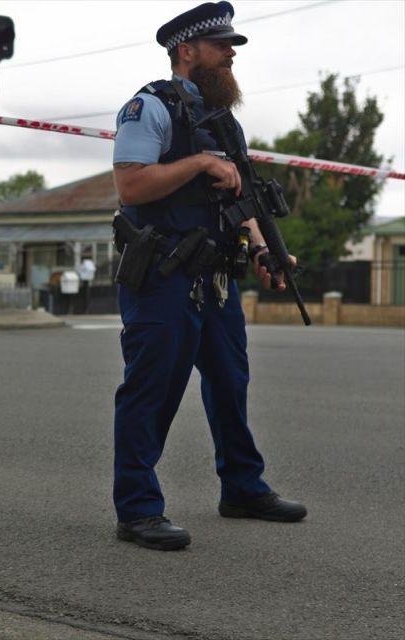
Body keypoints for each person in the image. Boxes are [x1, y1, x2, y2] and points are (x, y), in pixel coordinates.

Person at [111, 1, 306, 551]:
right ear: (186, 51)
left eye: (233, 48)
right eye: (222, 46)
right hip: (163, 277)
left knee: (230, 385)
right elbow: (131, 186)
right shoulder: (147, 108)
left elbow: (243, 201)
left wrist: (269, 253)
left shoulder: (226, 123)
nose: (231, 55)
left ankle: (243, 488)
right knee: (152, 391)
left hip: (218, 277)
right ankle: (138, 509)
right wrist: (198, 163)